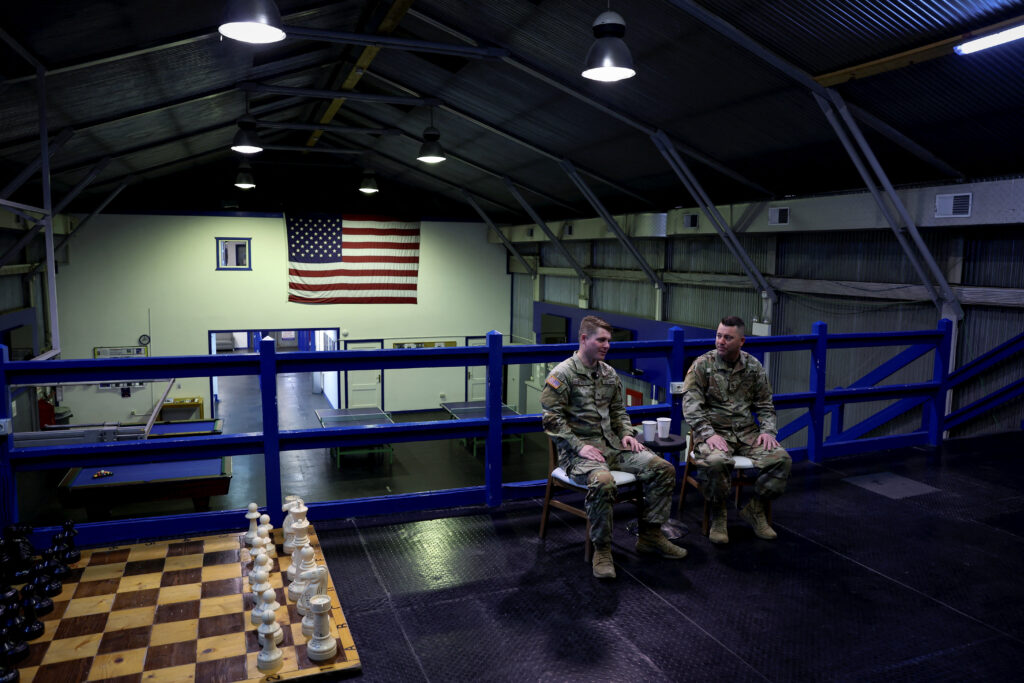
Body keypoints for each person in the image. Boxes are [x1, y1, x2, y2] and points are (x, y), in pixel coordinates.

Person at [541, 315, 686, 579]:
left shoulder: (609, 373)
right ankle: (603, 550)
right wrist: (579, 446)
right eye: (601, 340)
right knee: (604, 482)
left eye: (609, 340)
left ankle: (650, 536)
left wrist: (627, 434)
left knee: (663, 468)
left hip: (613, 447)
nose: (607, 345)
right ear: (584, 339)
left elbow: (619, 411)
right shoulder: (562, 374)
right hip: (579, 454)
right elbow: (551, 420)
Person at [682, 315, 791, 544]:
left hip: (747, 434)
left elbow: (765, 405)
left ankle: (756, 509)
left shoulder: (753, 367)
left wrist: (767, 431)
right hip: (714, 433)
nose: (721, 341)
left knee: (781, 460)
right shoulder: (702, 365)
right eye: (718, 336)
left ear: (741, 341)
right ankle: (719, 514)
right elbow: (691, 406)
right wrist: (708, 434)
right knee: (716, 462)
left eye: (728, 338)